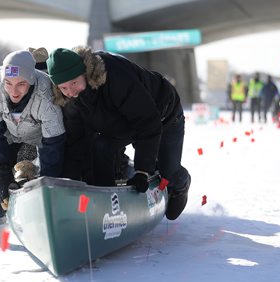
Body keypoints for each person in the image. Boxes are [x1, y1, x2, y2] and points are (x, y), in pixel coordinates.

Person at [46, 46, 191, 221]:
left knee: (167, 172)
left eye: (74, 83)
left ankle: (181, 181)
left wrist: (142, 172)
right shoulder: (70, 100)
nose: (70, 92)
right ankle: (104, 206)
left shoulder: (115, 76)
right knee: (101, 147)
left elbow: (147, 122)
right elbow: (77, 142)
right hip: (119, 123)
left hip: (162, 116)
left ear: (84, 73)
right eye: (63, 88)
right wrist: (68, 185)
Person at [0, 50, 66, 245]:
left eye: (21, 84)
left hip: (42, 134)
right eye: (9, 84)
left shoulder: (48, 94)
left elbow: (53, 147)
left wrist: (47, 188)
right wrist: (1, 173)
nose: (14, 91)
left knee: (50, 178)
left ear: (31, 81)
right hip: (7, 132)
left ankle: (48, 221)